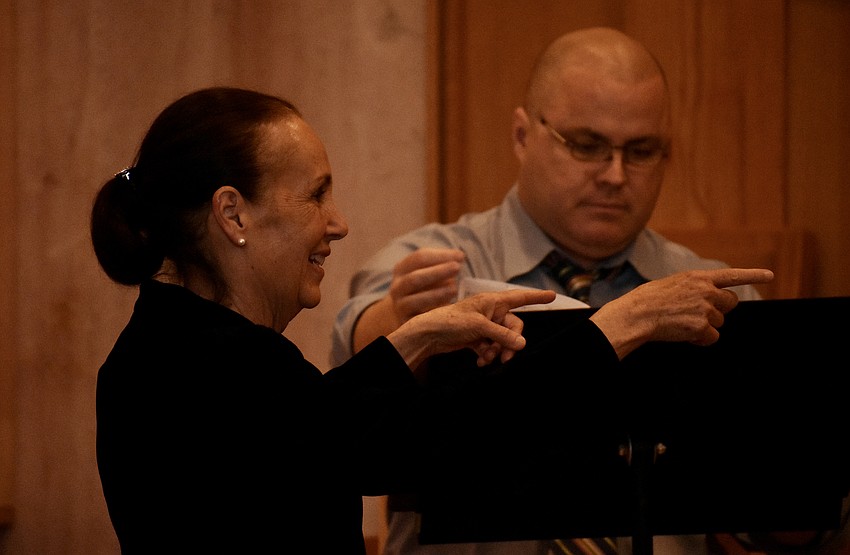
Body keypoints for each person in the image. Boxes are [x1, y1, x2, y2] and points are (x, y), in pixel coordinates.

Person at [90, 87, 771, 554]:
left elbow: (322, 425)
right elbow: (430, 441)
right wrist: (616, 327)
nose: (337, 222)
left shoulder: (181, 342)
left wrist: (415, 336)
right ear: (233, 213)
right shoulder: (215, 364)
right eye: (316, 195)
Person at [329, 27, 830, 555]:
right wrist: (402, 325)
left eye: (641, 150)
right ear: (523, 136)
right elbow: (352, 378)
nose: (615, 175)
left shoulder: (711, 295)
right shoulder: (441, 264)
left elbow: (787, 521)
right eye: (587, 145)